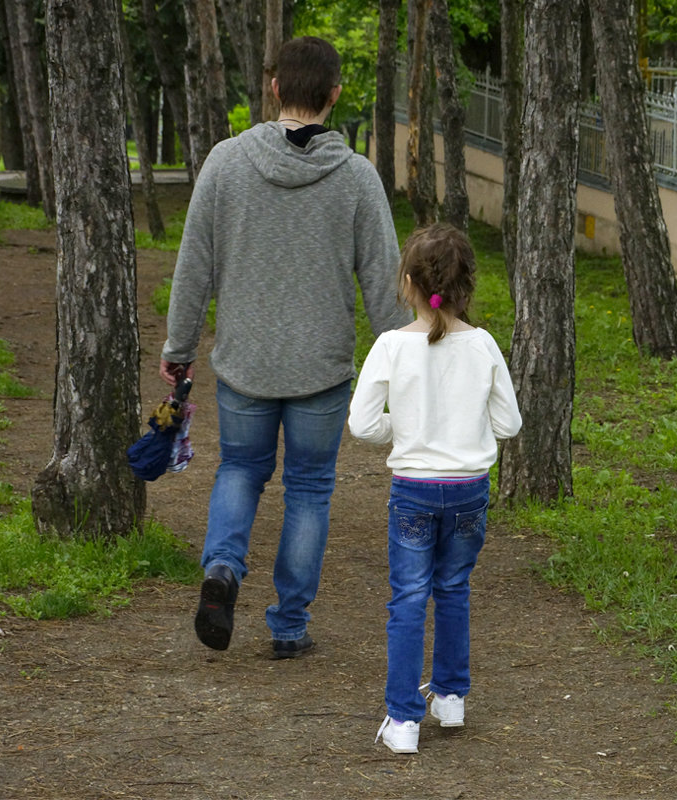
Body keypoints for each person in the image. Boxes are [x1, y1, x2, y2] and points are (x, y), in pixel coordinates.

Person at [159, 36, 410, 659]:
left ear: (274, 88)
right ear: (334, 95)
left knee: (240, 470)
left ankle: (221, 571)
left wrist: (179, 345)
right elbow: (383, 281)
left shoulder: (224, 163)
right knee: (309, 488)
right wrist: (409, 354)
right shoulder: (355, 178)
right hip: (320, 370)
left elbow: (195, 265)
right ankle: (289, 626)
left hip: (245, 361)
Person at [347, 223, 522, 754]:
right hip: (469, 489)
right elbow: (508, 424)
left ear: (407, 283)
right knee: (453, 590)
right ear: (468, 283)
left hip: (414, 491)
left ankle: (403, 722)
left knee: (407, 598)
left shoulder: (390, 347)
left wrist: (399, 431)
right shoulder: (485, 345)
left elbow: (360, 423)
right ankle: (450, 697)